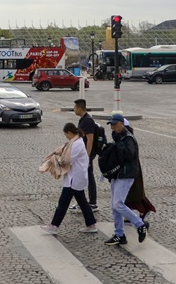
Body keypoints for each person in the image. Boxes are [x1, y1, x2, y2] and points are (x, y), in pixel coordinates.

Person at [98, 113, 149, 246]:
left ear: (122, 124)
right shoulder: (120, 137)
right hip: (118, 175)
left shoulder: (128, 138)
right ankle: (119, 234)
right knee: (114, 207)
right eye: (111, 125)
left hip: (126, 175)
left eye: (114, 124)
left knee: (118, 204)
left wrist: (119, 142)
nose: (112, 128)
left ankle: (139, 224)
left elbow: (128, 155)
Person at [40, 123, 98, 235]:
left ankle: (54, 226)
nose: (66, 136)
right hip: (74, 177)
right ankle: (91, 224)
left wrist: (55, 159)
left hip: (74, 178)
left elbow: (68, 160)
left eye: (66, 134)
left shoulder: (77, 144)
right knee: (82, 202)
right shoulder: (75, 142)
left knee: (63, 202)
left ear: (70, 133)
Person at [72, 99, 101, 211]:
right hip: (83, 154)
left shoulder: (88, 121)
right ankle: (83, 202)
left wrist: (87, 157)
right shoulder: (82, 120)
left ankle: (92, 203)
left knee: (89, 176)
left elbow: (90, 139)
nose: (74, 109)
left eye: (75, 107)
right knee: (84, 177)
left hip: (87, 154)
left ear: (79, 108)